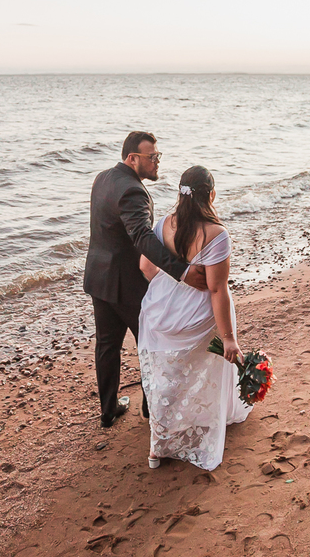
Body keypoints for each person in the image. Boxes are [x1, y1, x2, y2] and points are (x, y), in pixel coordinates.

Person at [84, 131, 209, 428]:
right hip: (127, 285)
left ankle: (108, 411)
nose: (157, 161)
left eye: (157, 156)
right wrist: (182, 271)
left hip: (98, 278)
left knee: (106, 346)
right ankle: (151, 407)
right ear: (133, 158)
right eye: (151, 157)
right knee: (151, 344)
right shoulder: (133, 191)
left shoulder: (102, 178)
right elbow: (142, 237)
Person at [138, 165, 250, 471]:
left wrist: (172, 288)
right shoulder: (217, 235)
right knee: (202, 365)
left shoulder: (163, 223)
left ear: (181, 193)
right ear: (211, 195)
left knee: (168, 376)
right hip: (196, 317)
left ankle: (157, 447)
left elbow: (146, 268)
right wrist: (229, 339)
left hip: (160, 311)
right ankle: (206, 416)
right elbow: (217, 289)